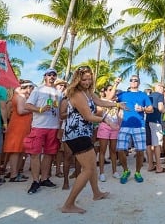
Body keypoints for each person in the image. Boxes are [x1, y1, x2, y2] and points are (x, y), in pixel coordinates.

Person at [61, 65, 123, 214]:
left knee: (91, 166)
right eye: (84, 79)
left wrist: (116, 104)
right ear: (77, 79)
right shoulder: (77, 94)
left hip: (82, 133)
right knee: (88, 169)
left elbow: (101, 102)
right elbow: (88, 116)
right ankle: (68, 204)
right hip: (76, 134)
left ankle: (96, 193)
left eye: (89, 79)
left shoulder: (88, 93)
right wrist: (106, 120)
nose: (87, 82)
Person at [24, 68, 63, 194]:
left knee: (49, 154)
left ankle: (45, 178)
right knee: (35, 154)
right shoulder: (38, 89)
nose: (52, 76)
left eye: (54, 74)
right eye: (49, 74)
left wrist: (60, 127)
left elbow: (61, 111)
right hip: (39, 126)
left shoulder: (59, 93)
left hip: (54, 126)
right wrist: (40, 109)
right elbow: (27, 105)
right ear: (45, 76)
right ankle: (35, 181)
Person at [109, 75, 153, 184]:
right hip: (125, 125)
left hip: (139, 125)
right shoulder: (123, 94)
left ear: (139, 82)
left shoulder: (143, 95)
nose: (133, 82)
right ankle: (126, 170)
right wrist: (116, 83)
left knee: (140, 151)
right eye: (131, 80)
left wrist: (142, 108)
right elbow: (109, 98)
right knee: (120, 149)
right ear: (129, 82)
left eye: (136, 80)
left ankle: (137, 172)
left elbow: (151, 109)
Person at [3, 81, 34, 182]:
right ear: (28, 87)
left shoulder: (18, 96)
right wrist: (34, 110)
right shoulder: (20, 97)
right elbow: (20, 111)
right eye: (31, 88)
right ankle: (13, 174)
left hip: (21, 126)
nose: (32, 91)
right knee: (16, 150)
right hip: (18, 126)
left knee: (20, 150)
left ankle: (16, 172)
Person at [97, 84, 122, 181]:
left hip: (114, 127)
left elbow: (118, 116)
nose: (113, 91)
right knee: (102, 150)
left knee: (113, 150)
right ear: (106, 91)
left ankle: (114, 171)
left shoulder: (117, 102)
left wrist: (118, 126)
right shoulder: (102, 101)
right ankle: (101, 173)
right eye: (110, 90)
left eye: (114, 90)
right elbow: (98, 113)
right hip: (104, 126)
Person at [145, 82, 165, 174]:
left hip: (147, 121)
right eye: (162, 87)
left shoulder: (149, 96)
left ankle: (150, 165)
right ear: (158, 87)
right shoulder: (160, 95)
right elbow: (160, 107)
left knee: (149, 144)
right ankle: (158, 167)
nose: (163, 89)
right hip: (156, 121)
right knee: (157, 144)